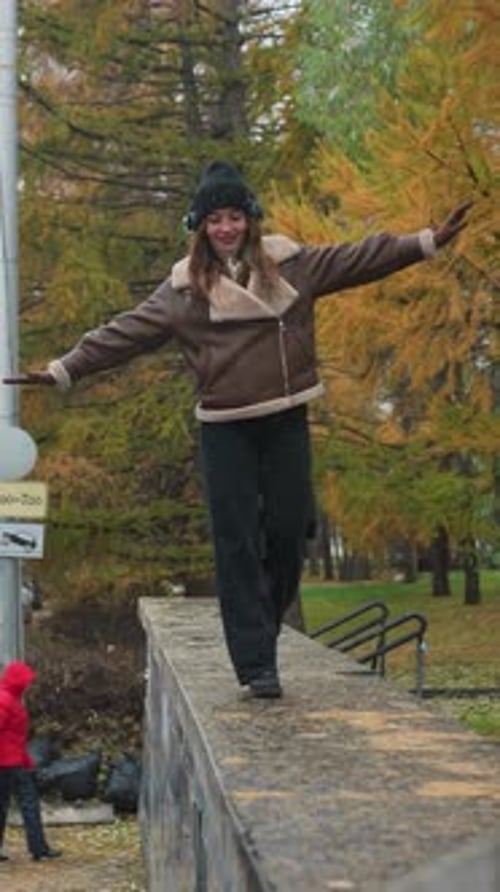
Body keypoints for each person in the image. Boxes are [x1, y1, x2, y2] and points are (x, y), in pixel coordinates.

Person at [3, 161, 471, 699]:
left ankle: (261, 626)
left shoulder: (293, 266)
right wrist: (64, 368)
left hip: (285, 416)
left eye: (233, 217)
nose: (225, 228)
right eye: (214, 220)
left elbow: (360, 257)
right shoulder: (183, 291)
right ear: (200, 227)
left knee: (289, 531)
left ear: (249, 219)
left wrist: (425, 242)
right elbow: (125, 332)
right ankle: (256, 664)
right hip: (225, 428)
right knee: (237, 542)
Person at [0, 660, 62, 861]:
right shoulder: (6, 701)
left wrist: (26, 759)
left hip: (11, 762)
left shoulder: (8, 698)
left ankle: (38, 848)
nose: (28, 685)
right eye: (26, 682)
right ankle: (38, 848)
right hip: (10, 763)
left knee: (3, 805)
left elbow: (15, 737)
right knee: (29, 804)